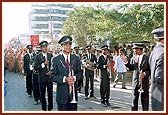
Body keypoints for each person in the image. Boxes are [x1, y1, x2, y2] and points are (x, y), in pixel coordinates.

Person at [51, 36, 83, 111]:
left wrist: (74, 78)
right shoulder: (55, 59)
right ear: (62, 46)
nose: (68, 47)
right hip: (62, 96)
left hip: (73, 96)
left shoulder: (76, 58)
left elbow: (80, 73)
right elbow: (52, 76)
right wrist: (65, 79)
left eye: (69, 45)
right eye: (66, 45)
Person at [124, 43, 150, 111]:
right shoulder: (133, 58)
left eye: (135, 49)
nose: (134, 51)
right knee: (134, 98)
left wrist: (144, 73)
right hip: (135, 81)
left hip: (144, 82)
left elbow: (151, 70)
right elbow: (132, 68)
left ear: (139, 49)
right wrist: (126, 63)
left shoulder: (147, 58)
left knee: (144, 99)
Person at [34, 41, 53, 111]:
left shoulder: (50, 55)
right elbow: (35, 67)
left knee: (50, 94)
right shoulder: (38, 56)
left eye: (46, 47)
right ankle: (44, 109)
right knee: (42, 95)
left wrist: (51, 72)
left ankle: (50, 108)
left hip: (49, 78)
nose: (45, 48)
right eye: (44, 47)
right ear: (41, 48)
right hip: (42, 79)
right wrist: (43, 64)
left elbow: (53, 66)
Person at [149, 27, 164, 111]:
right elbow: (160, 77)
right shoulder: (163, 53)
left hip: (156, 92)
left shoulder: (154, 52)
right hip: (162, 94)